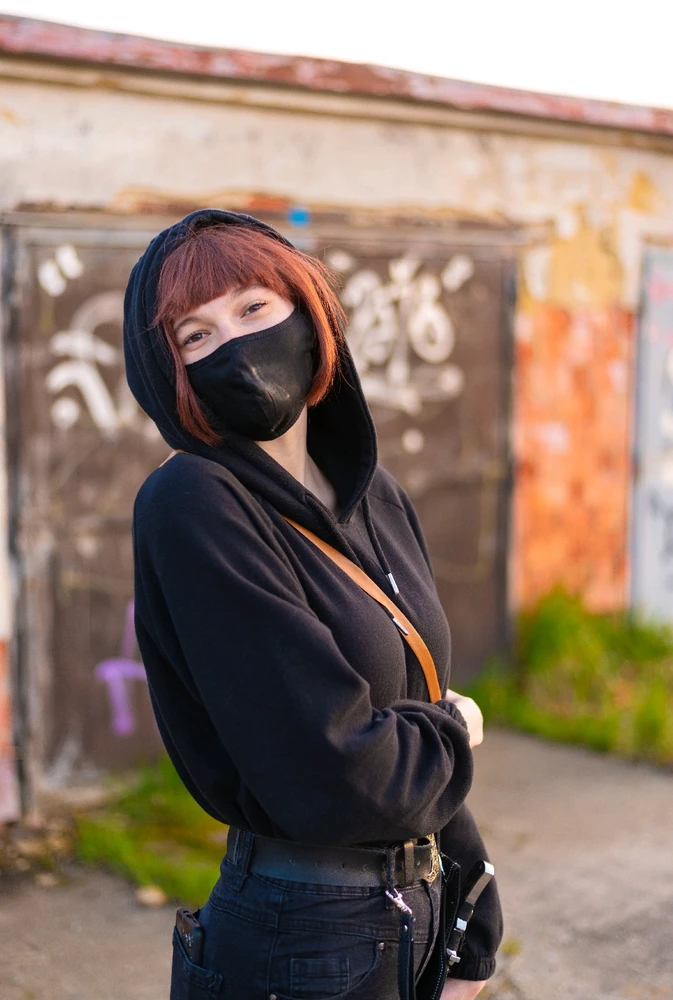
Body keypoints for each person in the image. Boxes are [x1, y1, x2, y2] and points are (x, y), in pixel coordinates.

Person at [123, 209, 503, 1000]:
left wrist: (471, 933)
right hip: (301, 941)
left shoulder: (375, 496)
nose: (234, 344)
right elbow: (335, 772)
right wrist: (456, 729)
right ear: (169, 372)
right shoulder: (194, 501)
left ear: (308, 311)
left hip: (414, 915)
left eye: (253, 308)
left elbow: (413, 703)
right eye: (195, 336)